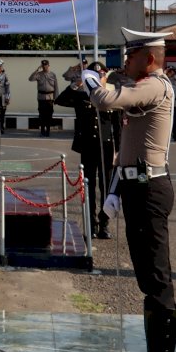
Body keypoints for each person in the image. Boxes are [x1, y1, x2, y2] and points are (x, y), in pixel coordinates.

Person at [82, 28, 176, 352]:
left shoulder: (156, 85)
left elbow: (106, 99)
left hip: (150, 189)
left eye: (131, 56)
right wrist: (116, 189)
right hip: (137, 185)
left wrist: (92, 80)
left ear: (149, 59)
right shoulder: (145, 84)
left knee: (157, 280)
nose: (125, 63)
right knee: (148, 279)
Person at [56, 62, 114, 238]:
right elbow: (60, 100)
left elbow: (118, 125)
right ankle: (91, 225)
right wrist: (77, 84)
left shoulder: (112, 96)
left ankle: (104, 224)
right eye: (94, 75)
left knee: (106, 188)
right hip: (88, 147)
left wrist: (118, 150)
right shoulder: (81, 96)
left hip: (107, 147)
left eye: (101, 75)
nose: (98, 78)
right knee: (88, 187)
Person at [29, 59, 58, 137]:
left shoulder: (53, 75)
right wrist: (37, 70)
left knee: (49, 115)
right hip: (41, 98)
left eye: (46, 65)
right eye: (43, 65)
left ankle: (48, 131)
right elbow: (30, 79)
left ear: (48, 65)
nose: (44, 67)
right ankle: (42, 131)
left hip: (50, 98)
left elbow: (56, 87)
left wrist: (56, 98)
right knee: (42, 115)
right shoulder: (38, 74)